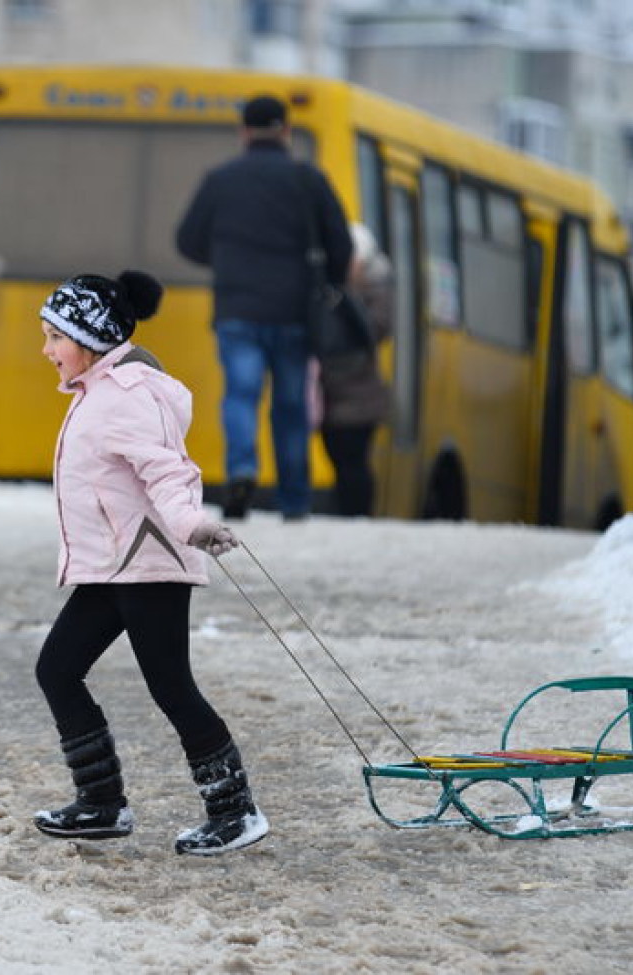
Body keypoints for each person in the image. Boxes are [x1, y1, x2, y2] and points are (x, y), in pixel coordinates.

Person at [32, 268, 269, 857]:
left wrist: (191, 523)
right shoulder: (101, 392)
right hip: (112, 568)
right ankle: (101, 805)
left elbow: (168, 470)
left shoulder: (130, 396)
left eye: (54, 337)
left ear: (88, 338)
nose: (46, 351)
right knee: (57, 670)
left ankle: (235, 811)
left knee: (170, 685)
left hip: (150, 563)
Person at [176, 93, 354, 521]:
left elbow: (187, 240)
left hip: (237, 309)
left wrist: (225, 260)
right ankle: (294, 501)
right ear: (286, 132)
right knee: (291, 405)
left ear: (244, 132)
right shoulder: (308, 179)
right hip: (295, 313)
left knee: (240, 393)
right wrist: (327, 283)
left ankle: (241, 471)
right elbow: (341, 245)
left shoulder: (221, 180)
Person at [318, 223, 394, 517]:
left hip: (361, 399)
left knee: (354, 465)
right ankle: (347, 516)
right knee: (339, 462)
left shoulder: (374, 288)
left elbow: (374, 330)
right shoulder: (329, 289)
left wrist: (344, 297)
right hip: (332, 397)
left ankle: (358, 517)